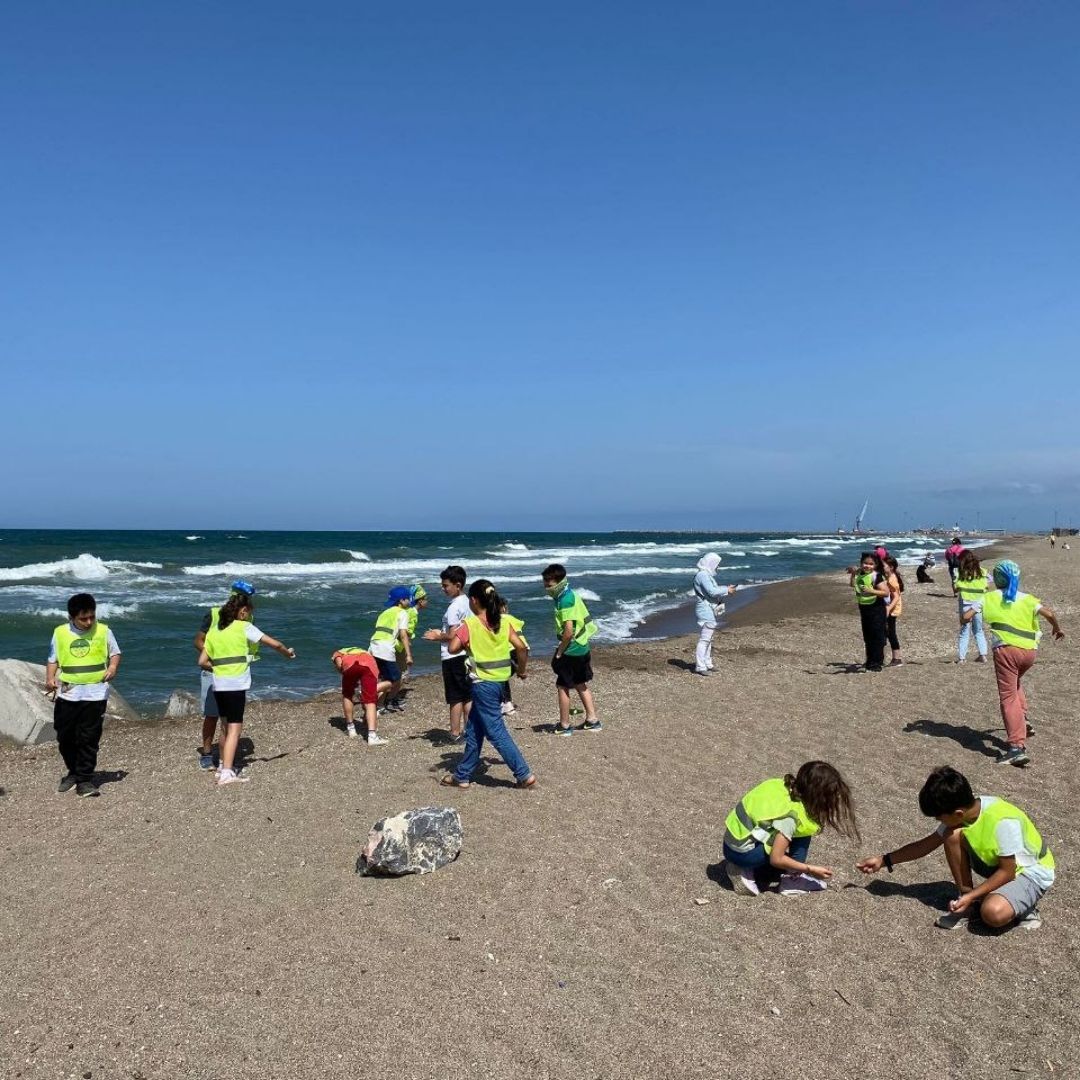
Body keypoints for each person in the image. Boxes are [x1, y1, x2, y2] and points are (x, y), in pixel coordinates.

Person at [857, 766, 1053, 932]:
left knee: (992, 913)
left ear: (958, 813)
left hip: (1029, 873)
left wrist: (974, 895)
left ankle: (1024, 906)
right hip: (999, 865)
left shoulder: (1002, 821)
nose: (938, 822)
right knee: (951, 836)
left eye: (939, 818)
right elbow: (927, 844)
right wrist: (884, 860)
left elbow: (1008, 872)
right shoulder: (964, 814)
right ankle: (968, 903)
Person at [961, 560, 1064, 767]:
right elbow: (1050, 614)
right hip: (1029, 652)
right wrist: (1057, 628)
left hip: (1006, 651)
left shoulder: (989, 597)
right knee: (1015, 684)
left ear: (998, 579)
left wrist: (969, 616)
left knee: (1007, 696)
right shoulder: (1027, 599)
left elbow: (966, 617)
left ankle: (1016, 747)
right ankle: (1023, 720)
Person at [440, 580, 535, 789]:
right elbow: (521, 647)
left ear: (473, 600)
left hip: (482, 683)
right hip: (500, 682)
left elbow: (454, 648)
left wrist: (459, 631)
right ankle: (462, 775)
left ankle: (523, 773)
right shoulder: (503, 621)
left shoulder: (471, 624)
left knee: (495, 731)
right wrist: (521, 670)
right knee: (474, 728)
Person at [197, 592, 295, 786]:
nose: (249, 616)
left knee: (225, 727)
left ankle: (223, 766)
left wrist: (219, 667)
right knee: (234, 728)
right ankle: (226, 773)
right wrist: (287, 653)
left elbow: (202, 661)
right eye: (248, 612)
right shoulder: (244, 627)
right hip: (236, 684)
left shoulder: (215, 631)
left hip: (219, 684)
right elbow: (274, 643)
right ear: (242, 611)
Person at [722, 761, 859, 896]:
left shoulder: (780, 785)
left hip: (732, 843)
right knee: (805, 827)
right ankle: (791, 880)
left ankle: (747, 865)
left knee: (803, 825)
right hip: (742, 854)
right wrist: (809, 869)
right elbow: (777, 859)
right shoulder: (790, 817)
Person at [45, 593, 122, 798]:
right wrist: (50, 678)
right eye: (83, 618)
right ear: (71, 618)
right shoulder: (60, 632)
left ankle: (85, 780)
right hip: (68, 693)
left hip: (95, 694)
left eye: (92, 617)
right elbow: (53, 658)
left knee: (88, 738)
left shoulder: (104, 631)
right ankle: (74, 772)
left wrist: (113, 667)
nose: (89, 622)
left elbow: (115, 653)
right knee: (65, 735)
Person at [193, 579, 257, 770]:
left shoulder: (248, 618)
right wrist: (214, 662)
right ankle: (206, 753)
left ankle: (225, 759)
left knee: (229, 718)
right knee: (212, 714)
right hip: (213, 671)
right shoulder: (214, 614)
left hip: (234, 674)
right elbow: (198, 641)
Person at [542, 563, 600, 735]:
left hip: (571, 649)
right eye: (545, 584)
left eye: (549, 585)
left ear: (559, 582)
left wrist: (560, 651)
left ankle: (565, 725)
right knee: (580, 683)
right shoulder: (569, 594)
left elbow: (568, 631)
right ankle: (592, 719)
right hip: (582, 646)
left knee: (562, 686)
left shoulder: (565, 600)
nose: (546, 588)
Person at [423, 566, 471, 741]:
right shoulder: (468, 602)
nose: (443, 589)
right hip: (466, 654)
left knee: (455, 697)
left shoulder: (454, 607)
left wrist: (436, 636)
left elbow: (452, 635)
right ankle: (470, 731)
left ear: (457, 585)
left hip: (452, 656)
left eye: (445, 585)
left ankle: (455, 733)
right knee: (467, 695)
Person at [331, 647, 392, 745]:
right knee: (370, 701)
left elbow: (339, 664)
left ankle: (351, 729)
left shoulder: (338, 653)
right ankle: (372, 736)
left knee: (347, 695)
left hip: (350, 665)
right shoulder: (363, 651)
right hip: (368, 664)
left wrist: (346, 676)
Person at [369, 586, 414, 714]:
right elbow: (403, 634)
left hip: (373, 645)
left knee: (384, 678)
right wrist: (408, 655)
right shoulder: (402, 613)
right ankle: (371, 692)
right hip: (385, 647)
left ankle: (379, 705)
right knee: (396, 679)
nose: (409, 602)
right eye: (408, 599)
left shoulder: (384, 612)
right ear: (401, 600)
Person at [692, 553, 737, 676]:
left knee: (709, 639)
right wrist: (726, 590)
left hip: (707, 609)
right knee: (705, 639)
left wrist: (725, 590)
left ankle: (707, 664)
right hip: (705, 610)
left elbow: (712, 591)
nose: (717, 567)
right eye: (716, 564)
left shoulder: (705, 574)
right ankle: (701, 666)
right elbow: (712, 592)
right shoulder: (702, 575)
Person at [847, 553, 890, 671]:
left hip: (876, 609)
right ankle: (870, 661)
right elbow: (852, 585)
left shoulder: (877, 576)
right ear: (861, 563)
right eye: (865, 563)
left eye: (871, 564)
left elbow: (886, 592)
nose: (867, 566)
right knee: (867, 636)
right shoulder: (860, 574)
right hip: (864, 608)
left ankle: (876, 663)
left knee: (876, 635)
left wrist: (872, 590)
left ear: (875, 565)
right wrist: (853, 575)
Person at [392, 584, 429, 704]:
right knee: (402, 672)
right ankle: (393, 698)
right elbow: (406, 631)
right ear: (420, 600)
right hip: (400, 646)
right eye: (425, 598)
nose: (427, 601)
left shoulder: (407, 610)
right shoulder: (412, 613)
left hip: (395, 644)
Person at [954, 550, 990, 663]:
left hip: (965, 602)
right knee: (978, 630)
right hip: (978, 603)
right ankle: (983, 655)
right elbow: (989, 582)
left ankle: (962, 658)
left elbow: (955, 588)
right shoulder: (983, 572)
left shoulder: (959, 572)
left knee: (965, 630)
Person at [499, 597, 529, 715]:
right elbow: (520, 624)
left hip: (511, 651)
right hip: (524, 650)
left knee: (501, 677)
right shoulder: (511, 618)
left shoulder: (499, 619)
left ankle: (506, 703)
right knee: (503, 677)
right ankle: (506, 702)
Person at [883, 555, 904, 666]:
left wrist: (888, 608)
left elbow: (896, 597)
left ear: (891, 567)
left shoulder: (892, 579)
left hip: (892, 610)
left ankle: (897, 658)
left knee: (891, 633)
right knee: (887, 632)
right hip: (892, 608)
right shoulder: (890, 576)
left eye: (884, 565)